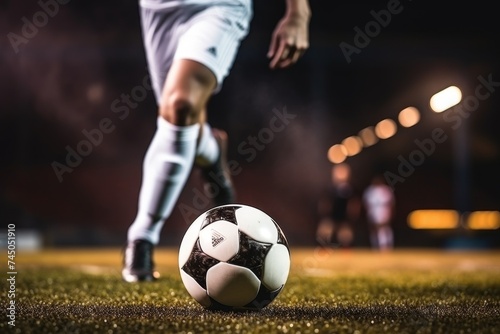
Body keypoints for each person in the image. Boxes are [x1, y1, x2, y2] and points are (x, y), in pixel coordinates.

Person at [122, 0, 311, 282]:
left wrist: (299, 11)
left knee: (180, 105)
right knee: (178, 127)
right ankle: (210, 152)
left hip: (219, 5)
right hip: (157, 9)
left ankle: (142, 237)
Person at [316, 163, 360, 249]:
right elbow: (324, 201)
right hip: (330, 216)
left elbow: (354, 202)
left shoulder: (350, 188)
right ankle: (323, 251)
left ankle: (346, 253)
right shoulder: (329, 188)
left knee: (346, 236)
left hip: (344, 216)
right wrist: (324, 211)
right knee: (324, 233)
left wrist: (353, 212)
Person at [362, 175, 395, 251]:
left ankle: (385, 246)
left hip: (383, 211)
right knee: (374, 229)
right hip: (373, 211)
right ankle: (376, 245)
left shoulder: (386, 190)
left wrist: (390, 213)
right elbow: (366, 203)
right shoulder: (370, 190)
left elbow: (391, 203)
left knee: (384, 228)